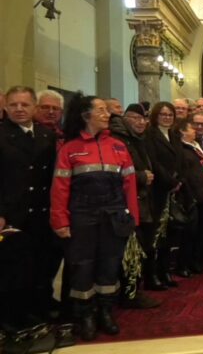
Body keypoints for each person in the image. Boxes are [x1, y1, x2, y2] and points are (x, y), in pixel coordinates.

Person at [51, 94, 139, 340]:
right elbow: (59, 188)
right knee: (82, 267)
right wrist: (60, 220)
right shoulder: (70, 149)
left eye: (106, 110)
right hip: (82, 216)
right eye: (100, 110)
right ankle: (85, 315)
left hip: (114, 215)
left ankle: (105, 312)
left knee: (110, 264)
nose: (106, 114)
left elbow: (129, 184)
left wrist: (133, 218)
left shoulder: (119, 147)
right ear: (85, 115)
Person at [0, 86, 58, 333]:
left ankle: (37, 309)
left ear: (34, 107)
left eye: (25, 104)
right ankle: (11, 317)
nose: (19, 109)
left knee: (40, 264)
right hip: (12, 213)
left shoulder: (46, 135)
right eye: (14, 105)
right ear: (6, 107)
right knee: (13, 270)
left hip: (41, 212)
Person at [109, 103, 161, 308]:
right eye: (135, 118)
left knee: (141, 247)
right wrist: (140, 176)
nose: (141, 122)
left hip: (143, 199)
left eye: (143, 119)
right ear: (125, 118)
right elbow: (117, 171)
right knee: (132, 249)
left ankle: (134, 290)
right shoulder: (118, 139)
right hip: (128, 201)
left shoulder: (138, 138)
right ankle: (130, 293)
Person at [144, 102, 181, 290]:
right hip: (158, 190)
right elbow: (154, 163)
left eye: (170, 114)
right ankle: (152, 275)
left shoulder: (174, 135)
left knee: (168, 233)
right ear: (156, 116)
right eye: (163, 114)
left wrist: (179, 181)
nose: (167, 117)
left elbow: (180, 160)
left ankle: (165, 271)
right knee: (155, 235)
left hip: (173, 190)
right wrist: (171, 182)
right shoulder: (150, 135)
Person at [175, 116, 203, 276]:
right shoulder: (181, 149)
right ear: (182, 132)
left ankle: (197, 260)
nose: (195, 130)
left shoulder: (194, 146)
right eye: (191, 128)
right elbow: (186, 175)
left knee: (202, 231)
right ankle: (184, 264)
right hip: (194, 196)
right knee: (191, 233)